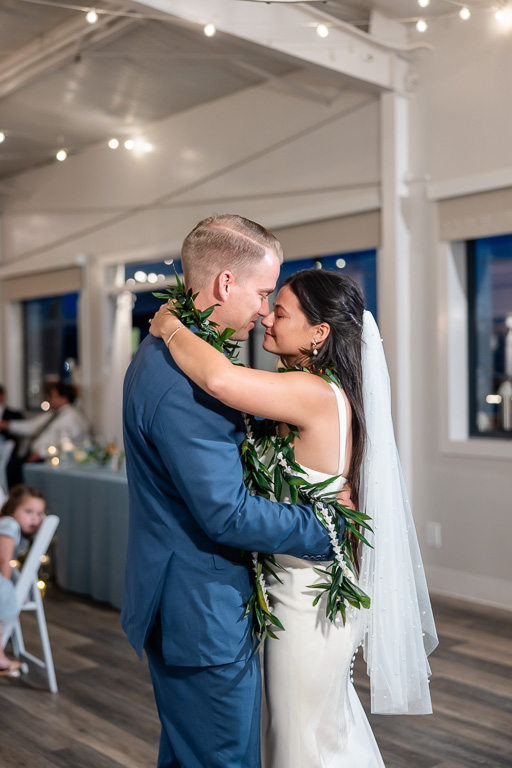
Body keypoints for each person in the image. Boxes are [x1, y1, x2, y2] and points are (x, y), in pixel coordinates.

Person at [149, 267, 438, 767]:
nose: (266, 317)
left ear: (319, 332)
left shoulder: (313, 392)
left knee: (302, 740)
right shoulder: (304, 389)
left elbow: (220, 379)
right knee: (314, 729)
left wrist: (170, 326)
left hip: (311, 596)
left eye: (279, 311)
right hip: (294, 584)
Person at [122, 215, 343, 768]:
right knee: (222, 758)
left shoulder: (177, 353)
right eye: (264, 293)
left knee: (190, 753)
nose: (265, 312)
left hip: (185, 598)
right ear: (225, 284)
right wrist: (326, 530)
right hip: (201, 609)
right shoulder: (185, 379)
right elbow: (226, 513)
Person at [0, 381, 90, 483]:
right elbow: (31, 426)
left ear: (64, 398)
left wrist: (41, 453)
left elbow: (66, 443)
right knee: (10, 466)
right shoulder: (53, 414)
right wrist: (7, 425)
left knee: (13, 470)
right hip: (39, 456)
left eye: (52, 396)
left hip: (50, 459)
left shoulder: (73, 418)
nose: (50, 399)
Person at [0, 484, 46, 677]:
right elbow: (4, 560)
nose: (35, 518)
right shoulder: (9, 524)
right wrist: (6, 585)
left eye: (39, 513)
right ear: (12, 509)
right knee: (4, 598)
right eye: (28, 512)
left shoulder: (17, 530)